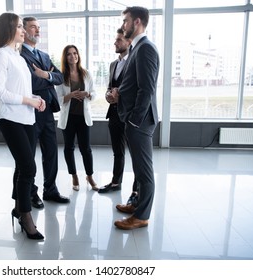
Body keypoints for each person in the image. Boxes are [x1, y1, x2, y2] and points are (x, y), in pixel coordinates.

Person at [0, 12, 45, 240]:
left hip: (27, 118)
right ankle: (25, 216)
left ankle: (18, 207)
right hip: (10, 118)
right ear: (9, 28)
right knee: (29, 169)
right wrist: (29, 100)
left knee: (22, 168)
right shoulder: (0, 56)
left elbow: (20, 89)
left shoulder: (19, 57)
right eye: (21, 26)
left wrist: (35, 98)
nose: (24, 30)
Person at [110, 6, 160, 230]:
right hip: (133, 118)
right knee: (139, 169)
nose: (123, 26)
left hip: (139, 121)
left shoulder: (145, 48)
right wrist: (120, 94)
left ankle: (142, 216)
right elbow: (134, 84)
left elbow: (146, 90)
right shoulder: (136, 48)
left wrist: (133, 120)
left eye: (125, 21)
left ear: (137, 22)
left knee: (144, 171)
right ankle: (137, 204)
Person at [20, 16, 70, 208]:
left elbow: (60, 77)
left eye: (39, 27)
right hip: (30, 111)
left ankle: (50, 190)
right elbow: (30, 82)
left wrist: (45, 74)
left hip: (47, 111)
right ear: (24, 31)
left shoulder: (44, 56)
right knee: (29, 155)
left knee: (51, 152)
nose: (38, 31)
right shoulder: (20, 56)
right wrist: (45, 77)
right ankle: (31, 193)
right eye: (33, 27)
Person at [98, 28, 138, 202]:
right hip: (114, 113)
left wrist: (118, 93)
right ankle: (116, 182)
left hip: (130, 114)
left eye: (119, 40)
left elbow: (137, 87)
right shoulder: (113, 64)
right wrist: (108, 95)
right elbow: (110, 86)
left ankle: (136, 191)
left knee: (136, 154)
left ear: (128, 42)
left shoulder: (135, 62)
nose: (115, 42)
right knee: (118, 151)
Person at [56, 45, 98, 192]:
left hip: (83, 117)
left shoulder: (85, 74)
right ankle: (74, 175)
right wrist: (71, 95)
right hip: (68, 118)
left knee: (86, 149)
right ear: (65, 57)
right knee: (69, 148)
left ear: (78, 56)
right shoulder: (61, 76)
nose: (72, 56)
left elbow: (94, 93)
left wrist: (87, 94)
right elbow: (58, 99)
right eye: (69, 54)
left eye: (75, 53)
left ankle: (90, 176)